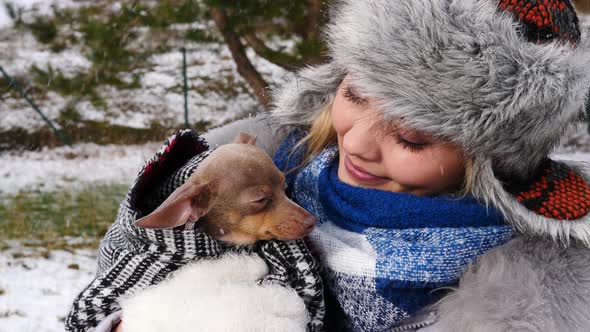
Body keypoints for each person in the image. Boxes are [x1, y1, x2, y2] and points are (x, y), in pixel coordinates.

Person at [84, 0, 590, 331]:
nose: (359, 142)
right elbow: (112, 287)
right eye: (354, 93)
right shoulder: (258, 167)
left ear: (491, 160)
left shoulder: (538, 283)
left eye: (411, 137)